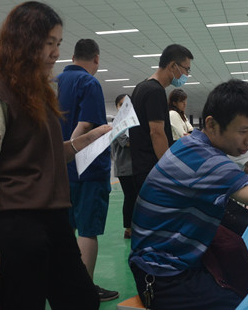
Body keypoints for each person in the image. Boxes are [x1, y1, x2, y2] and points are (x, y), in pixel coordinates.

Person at [0, 1, 111, 309]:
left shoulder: (40, 93)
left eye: (58, 43)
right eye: (48, 43)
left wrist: (87, 140)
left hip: (54, 217)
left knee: (82, 300)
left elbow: (46, 156)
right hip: (17, 222)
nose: (55, 52)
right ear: (24, 42)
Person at [129, 79, 248, 309]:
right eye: (243, 131)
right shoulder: (207, 160)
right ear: (212, 124)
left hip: (176, 259)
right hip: (164, 274)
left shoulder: (192, 144)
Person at [56, 39, 119, 302]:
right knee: (87, 230)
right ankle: (84, 289)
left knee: (66, 229)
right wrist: (70, 154)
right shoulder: (89, 83)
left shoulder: (56, 81)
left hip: (60, 171)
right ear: (96, 59)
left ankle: (62, 284)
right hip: (87, 169)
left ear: (72, 57)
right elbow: (84, 125)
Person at [129, 44, 193, 194]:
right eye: (186, 69)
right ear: (173, 66)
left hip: (140, 167)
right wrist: (168, 168)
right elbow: (157, 133)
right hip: (152, 169)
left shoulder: (141, 87)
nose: (187, 74)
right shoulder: (155, 92)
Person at [112, 94, 135, 240]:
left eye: (127, 104)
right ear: (116, 107)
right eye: (121, 104)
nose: (124, 107)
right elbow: (126, 142)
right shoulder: (118, 123)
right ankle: (128, 229)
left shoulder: (133, 121)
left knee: (136, 197)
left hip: (135, 166)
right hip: (124, 168)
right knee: (130, 197)